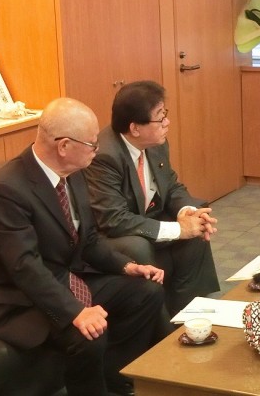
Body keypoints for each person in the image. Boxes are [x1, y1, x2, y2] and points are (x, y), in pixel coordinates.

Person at [0, 98, 166, 396]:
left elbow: (89, 239)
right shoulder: (8, 190)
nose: (98, 150)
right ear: (64, 146)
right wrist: (75, 312)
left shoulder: (74, 171)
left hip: (66, 278)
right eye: (92, 144)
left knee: (146, 292)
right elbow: (25, 268)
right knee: (89, 334)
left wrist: (127, 266)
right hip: (24, 299)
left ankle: (115, 376)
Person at [84, 81, 219, 317]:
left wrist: (187, 213)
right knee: (141, 244)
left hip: (144, 218)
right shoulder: (105, 156)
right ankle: (160, 322)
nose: (167, 122)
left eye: (165, 114)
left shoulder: (155, 142)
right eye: (160, 117)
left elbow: (171, 185)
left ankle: (189, 314)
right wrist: (178, 229)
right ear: (135, 128)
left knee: (197, 224)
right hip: (111, 234)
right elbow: (113, 219)